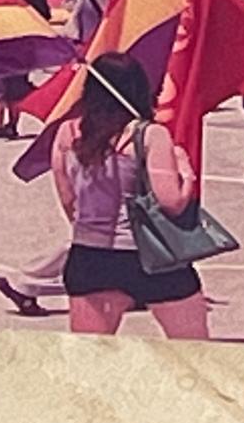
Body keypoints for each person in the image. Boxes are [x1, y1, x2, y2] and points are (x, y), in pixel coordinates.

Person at [49, 52, 209, 338]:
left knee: (91, 361)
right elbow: (171, 203)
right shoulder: (149, 135)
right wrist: (186, 174)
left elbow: (69, 202)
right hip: (151, 258)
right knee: (193, 351)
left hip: (89, 257)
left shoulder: (67, 134)